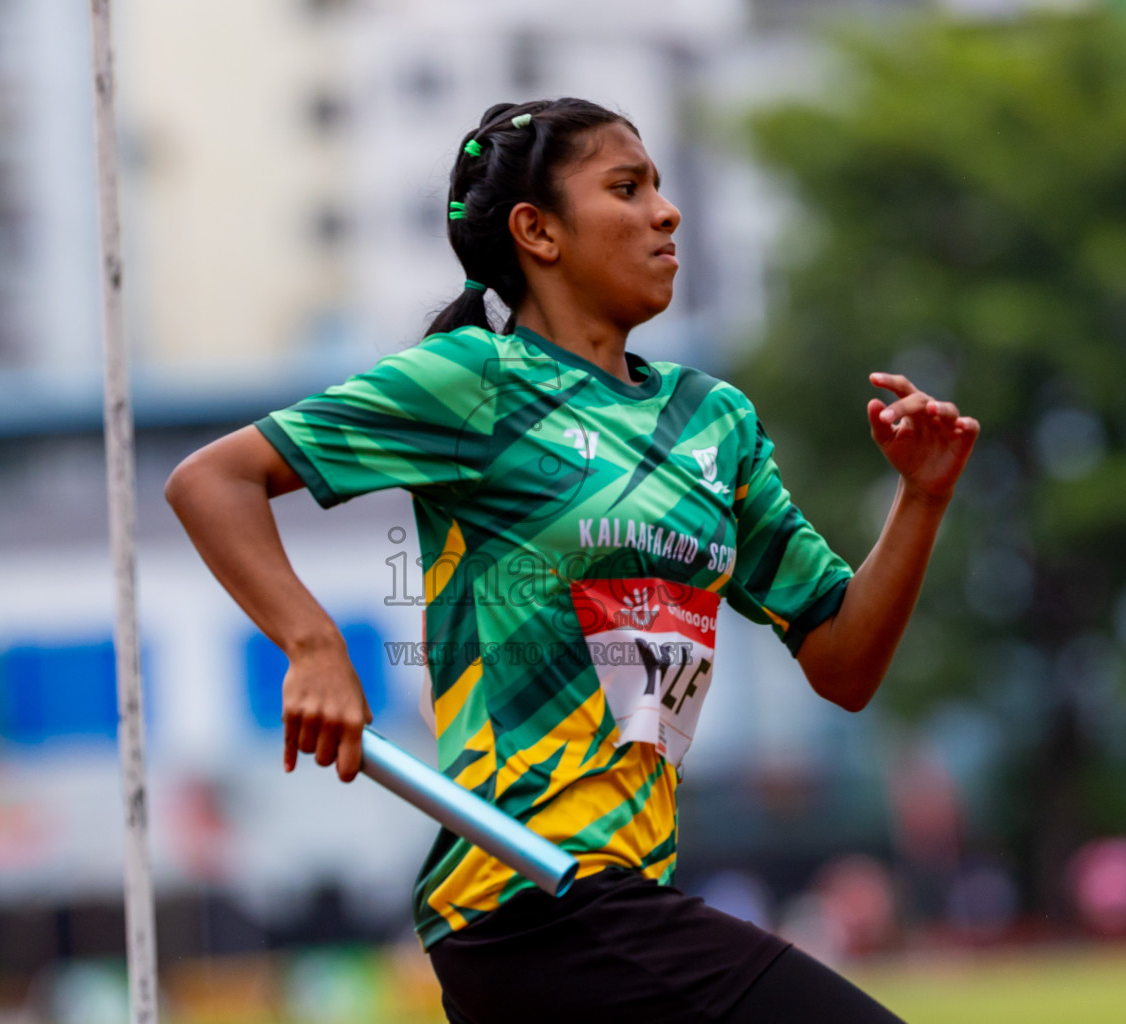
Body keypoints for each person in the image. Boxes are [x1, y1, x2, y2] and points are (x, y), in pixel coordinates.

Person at [165, 97, 979, 1024]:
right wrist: (313, 646)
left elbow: (842, 660)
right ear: (538, 232)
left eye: (660, 188)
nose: (666, 212)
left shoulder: (714, 423)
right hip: (526, 893)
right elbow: (213, 480)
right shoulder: (475, 380)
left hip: (623, 890)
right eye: (626, 189)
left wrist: (922, 498)